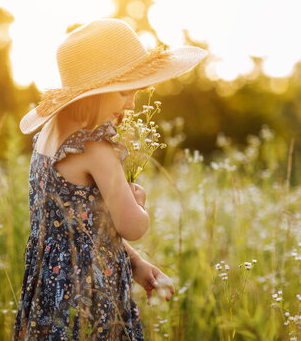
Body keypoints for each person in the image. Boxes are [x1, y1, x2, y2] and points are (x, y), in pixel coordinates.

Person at [12, 18, 207, 340]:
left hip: (48, 289)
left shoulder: (48, 138)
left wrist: (135, 262)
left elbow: (79, 229)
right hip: (90, 293)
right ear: (93, 94)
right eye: (124, 94)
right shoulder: (97, 148)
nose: (131, 105)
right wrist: (138, 202)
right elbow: (132, 226)